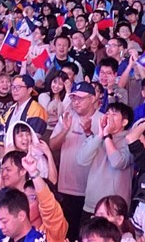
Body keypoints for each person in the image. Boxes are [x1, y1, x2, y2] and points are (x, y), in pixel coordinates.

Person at [49, 81, 103, 242]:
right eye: (73, 98)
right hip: (66, 187)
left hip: (91, 192)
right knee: (66, 234)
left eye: (80, 98)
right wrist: (65, 130)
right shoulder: (67, 116)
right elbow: (52, 145)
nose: (76, 102)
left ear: (93, 98)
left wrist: (89, 133)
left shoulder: (103, 120)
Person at [76, 102, 135, 222]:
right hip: (91, 205)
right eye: (107, 113)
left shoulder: (130, 140)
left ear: (124, 122)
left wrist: (107, 136)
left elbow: (118, 162)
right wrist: (100, 135)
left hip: (114, 209)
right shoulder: (99, 137)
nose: (108, 117)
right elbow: (81, 159)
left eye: (114, 114)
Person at [0, 75, 48, 151]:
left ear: (29, 90)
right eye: (13, 87)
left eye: (18, 87)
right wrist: (4, 156)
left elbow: (31, 140)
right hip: (7, 155)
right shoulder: (8, 110)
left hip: (29, 156)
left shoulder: (37, 110)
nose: (14, 90)